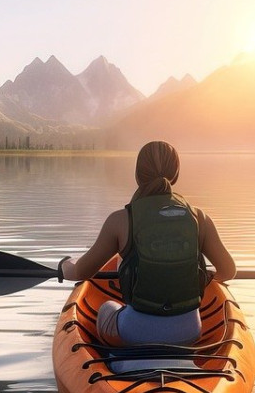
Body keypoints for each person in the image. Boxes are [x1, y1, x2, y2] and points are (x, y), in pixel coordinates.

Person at [59, 140, 235, 347]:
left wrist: (65, 266)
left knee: (107, 307)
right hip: (190, 332)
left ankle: (118, 357)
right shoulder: (199, 218)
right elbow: (228, 271)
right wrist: (198, 277)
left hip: (134, 334)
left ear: (137, 176)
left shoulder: (120, 220)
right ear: (175, 175)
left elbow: (81, 272)